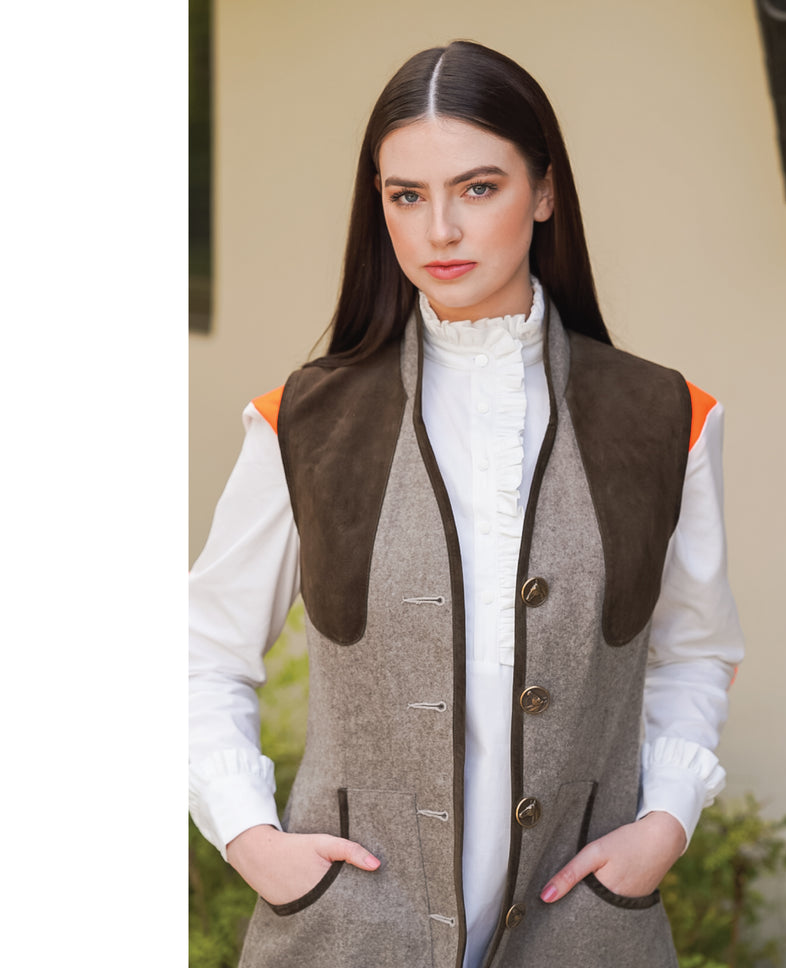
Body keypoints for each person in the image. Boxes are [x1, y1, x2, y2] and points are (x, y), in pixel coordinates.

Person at [189, 39, 744, 968]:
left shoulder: (667, 418)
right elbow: (202, 652)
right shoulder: (303, 422)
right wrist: (253, 839)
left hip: (586, 935)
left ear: (545, 191)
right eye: (407, 196)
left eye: (478, 188)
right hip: (348, 938)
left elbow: (697, 651)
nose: (439, 229)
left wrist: (664, 826)